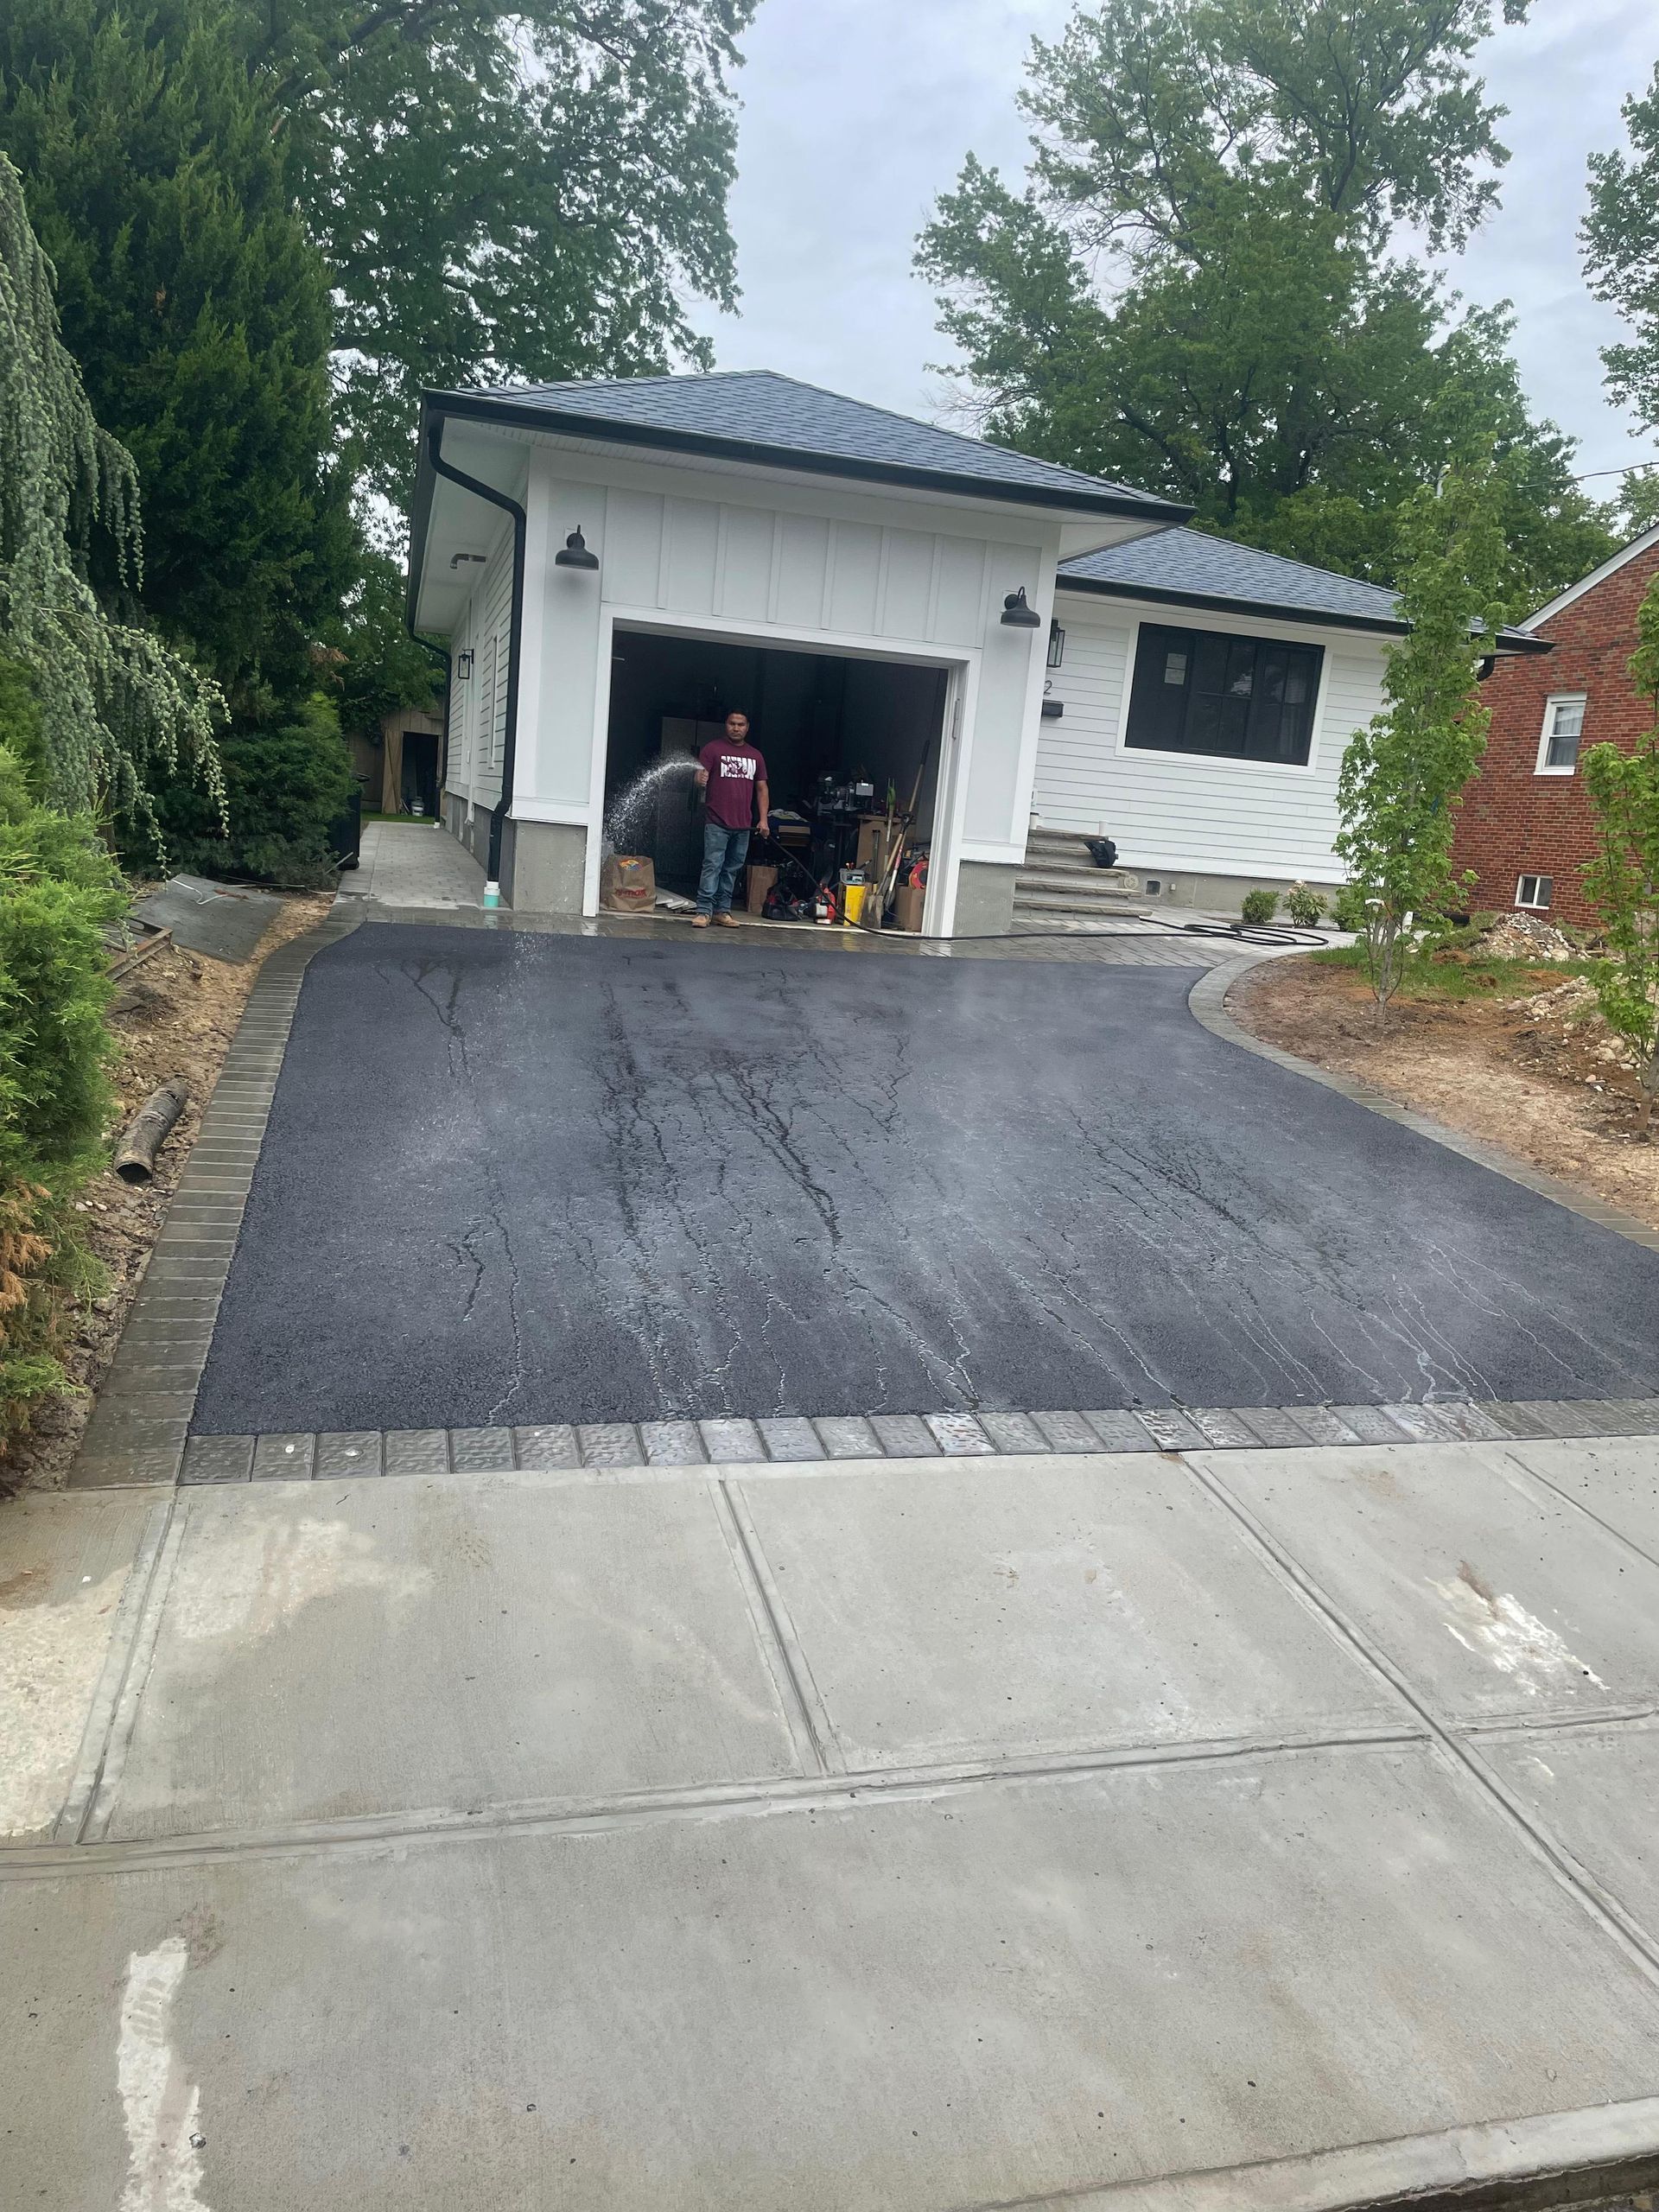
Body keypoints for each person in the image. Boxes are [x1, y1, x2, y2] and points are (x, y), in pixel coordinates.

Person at [691, 709, 768, 927]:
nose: (736, 728)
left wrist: (763, 820)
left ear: (747, 727)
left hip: (743, 825)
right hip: (717, 822)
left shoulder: (756, 755)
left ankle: (722, 911)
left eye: (740, 724)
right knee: (712, 866)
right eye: (732, 723)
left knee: (731, 870)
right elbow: (698, 775)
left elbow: (762, 789)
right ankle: (703, 911)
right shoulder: (713, 749)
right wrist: (699, 778)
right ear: (726, 725)